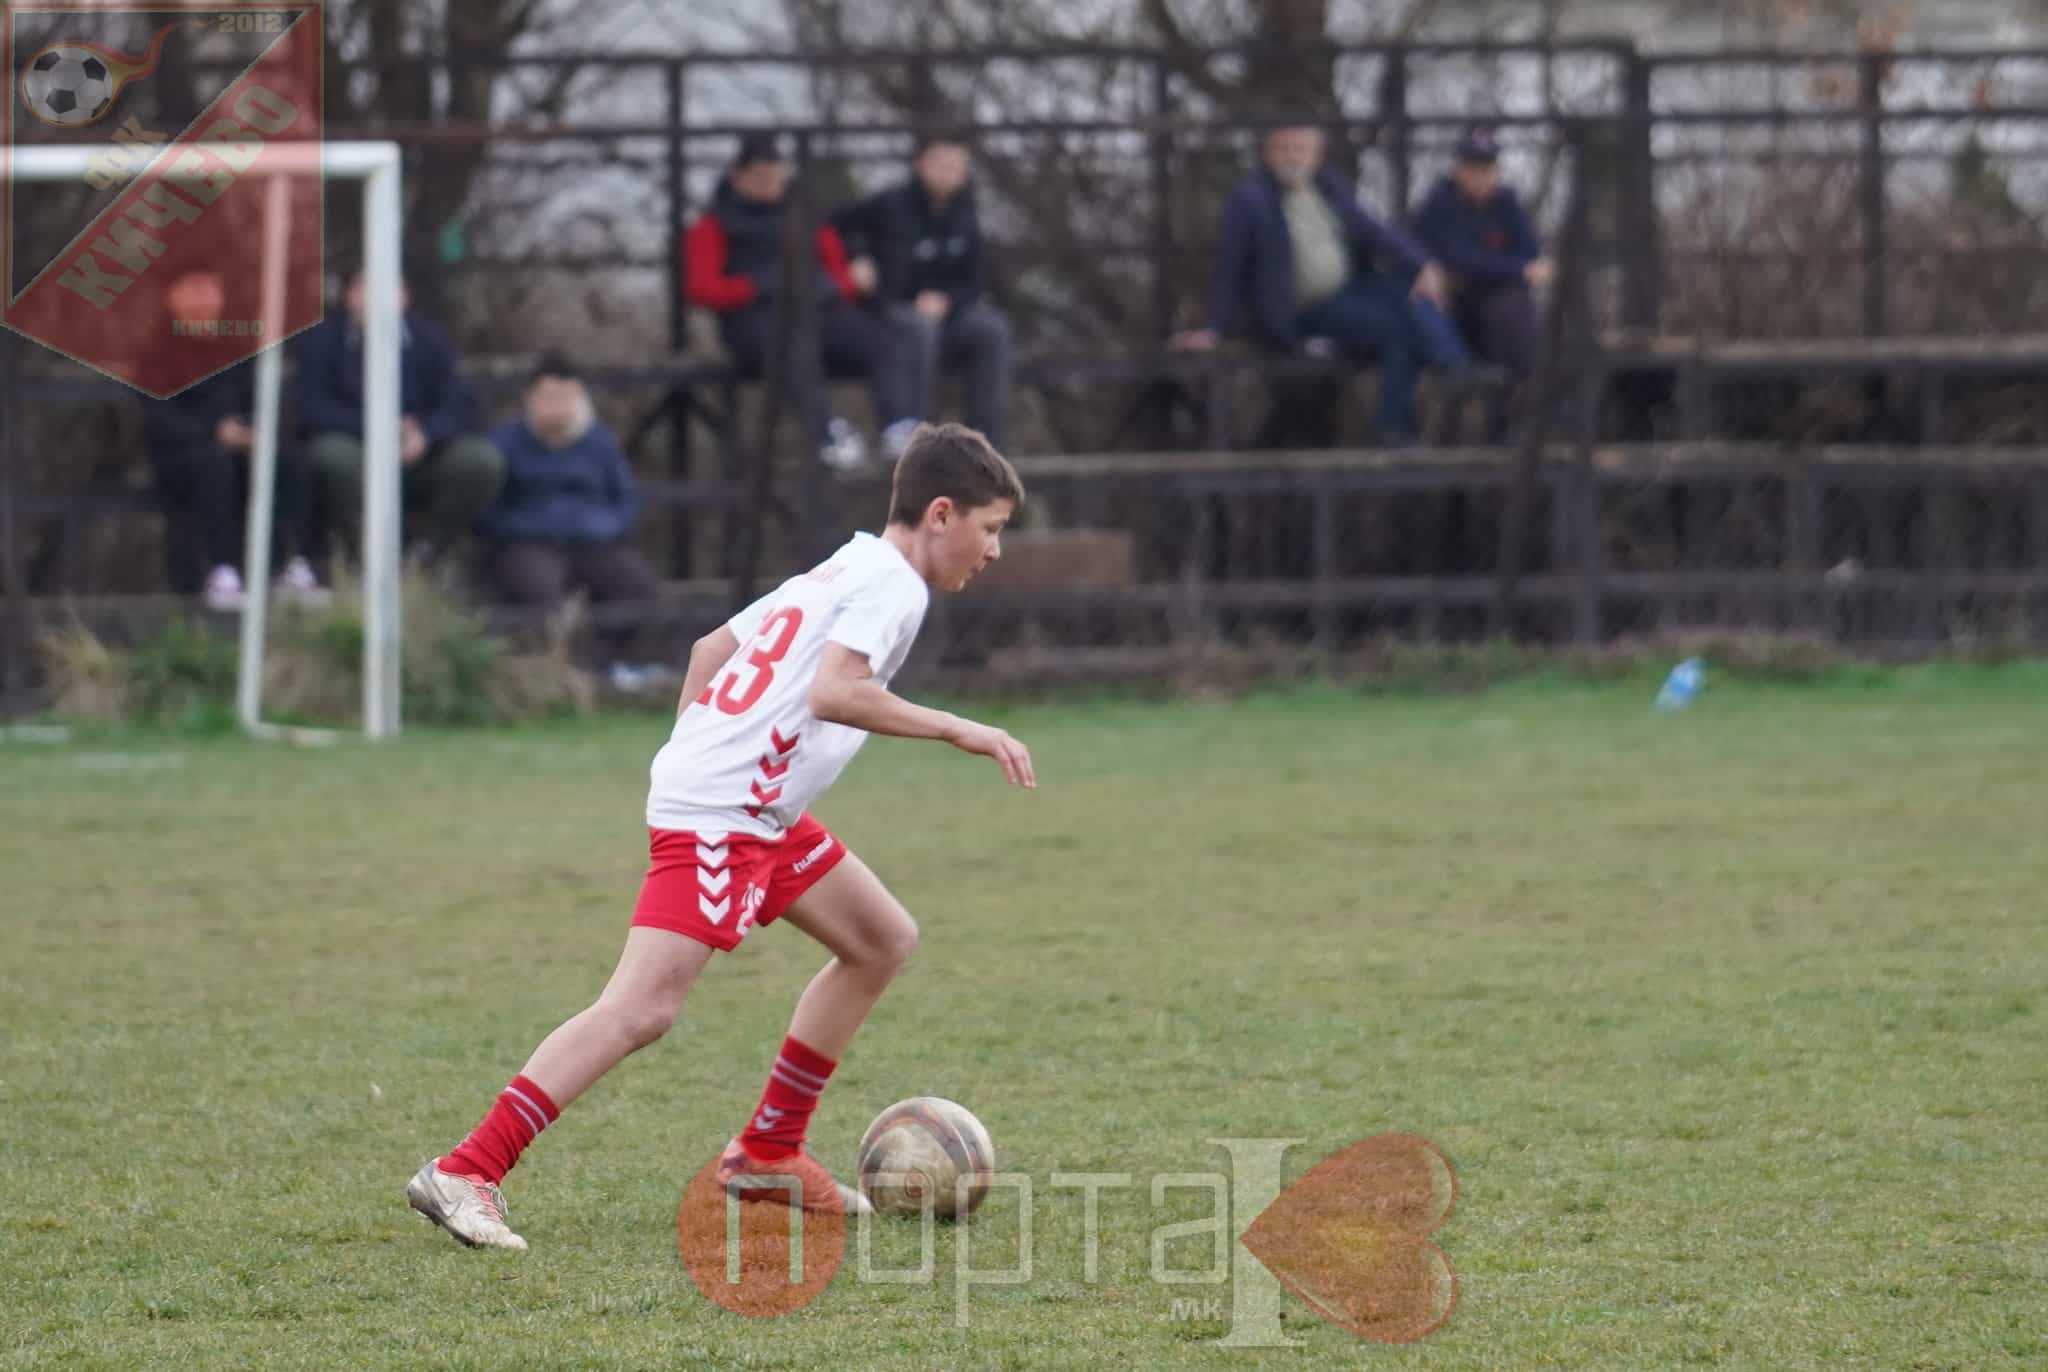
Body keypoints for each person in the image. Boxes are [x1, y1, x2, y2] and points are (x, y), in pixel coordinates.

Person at [405, 423, 1034, 1250]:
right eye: (991, 529)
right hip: (727, 812)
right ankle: (467, 1168)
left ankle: (769, 1152)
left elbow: (712, 650)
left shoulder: (846, 564)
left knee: (880, 938)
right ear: (942, 513)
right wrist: (959, 728)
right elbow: (836, 692)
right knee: (641, 1009)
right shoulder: (894, 587)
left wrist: (694, 758)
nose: (994, 551)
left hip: (750, 807)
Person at [1171, 124, 1468, 446]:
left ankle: (1451, 365)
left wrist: (1423, 265)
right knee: (1395, 329)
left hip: (1349, 292)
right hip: (1301, 311)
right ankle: (1400, 421)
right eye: (1283, 149)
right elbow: (1231, 266)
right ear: (1267, 154)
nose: (1292, 157)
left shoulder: (1329, 187)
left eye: (1300, 149)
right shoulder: (1251, 199)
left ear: (1317, 155)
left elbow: (1375, 230)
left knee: (1412, 292)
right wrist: (1215, 329)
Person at [684, 132, 920, 470]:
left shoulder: (803, 217)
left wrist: (832, 287)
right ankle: (828, 434)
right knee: (789, 349)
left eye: (774, 174)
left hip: (817, 313)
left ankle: (898, 428)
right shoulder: (714, 224)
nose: (769, 183)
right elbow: (701, 287)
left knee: (883, 341)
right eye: (759, 175)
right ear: (739, 177)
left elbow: (839, 273)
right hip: (755, 322)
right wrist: (754, 288)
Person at [144, 269, 324, 611]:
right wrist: (213, 430)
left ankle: (290, 564)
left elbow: (257, 397)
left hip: (239, 447)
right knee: (215, 467)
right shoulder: (156, 352)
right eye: (193, 289)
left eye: (209, 290)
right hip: (182, 454)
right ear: (172, 298)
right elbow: (160, 417)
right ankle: (222, 571)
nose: (202, 300)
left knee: (291, 462)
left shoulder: (235, 347)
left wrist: (252, 428)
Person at [478, 355, 664, 685]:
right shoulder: (504, 444)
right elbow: (488, 510)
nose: (557, 407)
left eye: (565, 397)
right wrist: (523, 528)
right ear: (530, 399)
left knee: (638, 589)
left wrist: (602, 528)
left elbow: (625, 500)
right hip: (528, 542)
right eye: (548, 397)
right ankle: (562, 671)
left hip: (593, 541)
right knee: (542, 596)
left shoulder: (600, 442)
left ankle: (601, 665)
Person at [299, 268, 505, 559]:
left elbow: (459, 404)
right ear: (350, 296)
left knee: (480, 460)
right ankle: (367, 549)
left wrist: (425, 434)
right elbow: (313, 408)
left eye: (387, 288)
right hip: (356, 447)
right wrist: (377, 429)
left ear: (404, 296)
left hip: (420, 451)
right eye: (365, 288)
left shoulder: (430, 340)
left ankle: (430, 548)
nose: (376, 298)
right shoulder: (324, 341)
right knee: (331, 455)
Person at [834, 132, 1012, 450]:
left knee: (992, 329)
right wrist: (856, 258)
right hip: (891, 309)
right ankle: (914, 440)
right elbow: (834, 226)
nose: (948, 173)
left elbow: (974, 279)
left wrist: (949, 300)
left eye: (956, 166)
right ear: (920, 164)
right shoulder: (889, 204)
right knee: (918, 329)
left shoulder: (965, 212)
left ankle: (984, 443)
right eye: (940, 164)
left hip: (948, 313)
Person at [1412, 126, 1550, 379]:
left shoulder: (1506, 202)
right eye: (1472, 167)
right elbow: (1459, 259)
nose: (1480, 176)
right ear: (1458, 169)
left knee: (1514, 308)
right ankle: (1488, 386)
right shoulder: (1440, 201)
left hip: (1497, 301)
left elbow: (1531, 254)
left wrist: (1517, 268)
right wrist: (1517, 268)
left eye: (1486, 168)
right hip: (1453, 303)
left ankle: (1520, 387)